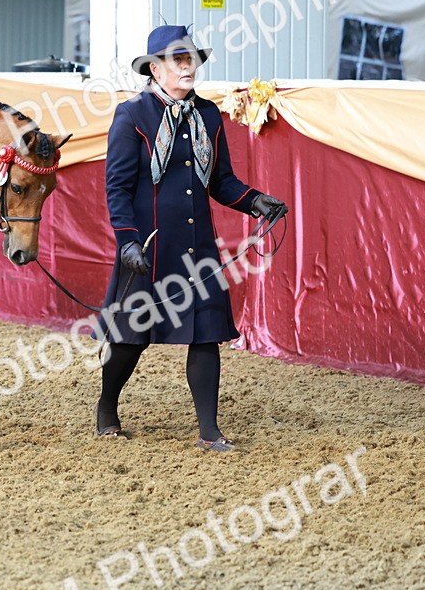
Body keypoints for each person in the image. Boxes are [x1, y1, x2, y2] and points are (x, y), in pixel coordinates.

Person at [94, 24, 288, 451]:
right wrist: (126, 240)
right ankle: (107, 407)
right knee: (129, 337)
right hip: (146, 249)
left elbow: (220, 181)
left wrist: (256, 202)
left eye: (191, 59)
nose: (188, 66)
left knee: (205, 335)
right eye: (178, 60)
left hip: (198, 246)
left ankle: (209, 431)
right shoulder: (132, 116)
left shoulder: (208, 115)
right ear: (155, 69)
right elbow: (118, 188)